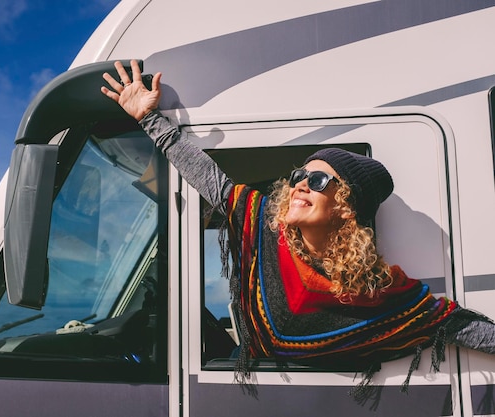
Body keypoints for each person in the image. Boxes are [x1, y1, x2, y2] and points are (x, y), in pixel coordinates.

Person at [101, 60, 495, 395]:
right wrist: (149, 119)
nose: (301, 184)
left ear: (346, 208)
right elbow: (213, 183)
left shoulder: (378, 290)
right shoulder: (262, 228)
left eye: (320, 181)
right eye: (299, 175)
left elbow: (452, 323)